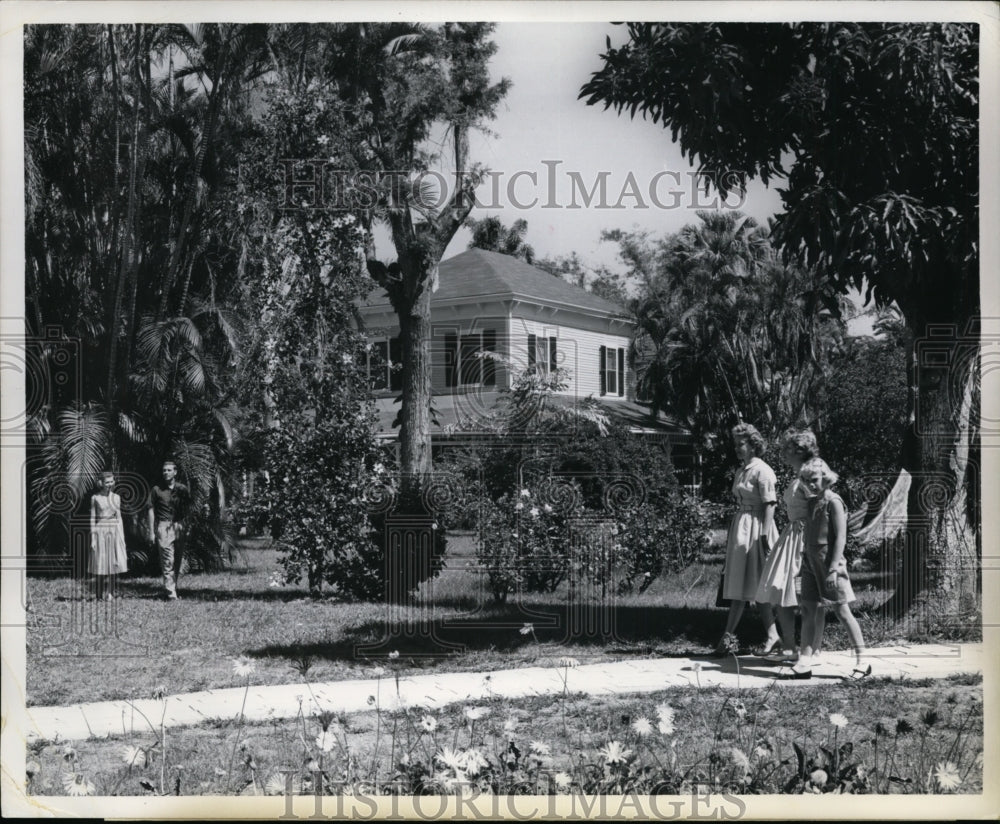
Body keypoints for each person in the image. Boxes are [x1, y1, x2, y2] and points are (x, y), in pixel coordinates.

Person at [788, 458, 871, 679]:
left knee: (841, 610)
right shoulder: (812, 502)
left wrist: (833, 568)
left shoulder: (834, 502)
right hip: (810, 562)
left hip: (830, 563)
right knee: (808, 609)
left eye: (813, 480)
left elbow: (841, 537)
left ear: (825, 477)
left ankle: (863, 661)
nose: (810, 484)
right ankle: (804, 660)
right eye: (805, 481)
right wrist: (804, 558)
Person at [714, 423, 780, 656]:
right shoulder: (743, 469)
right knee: (743, 584)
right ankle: (731, 638)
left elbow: (770, 503)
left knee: (757, 584)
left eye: (741, 444)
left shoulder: (763, 470)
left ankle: (769, 635)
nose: (737, 448)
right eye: (735, 444)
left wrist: (764, 534)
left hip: (757, 527)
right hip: (742, 526)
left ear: (753, 445)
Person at [753, 428, 819, 660]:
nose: (784, 455)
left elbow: (818, 509)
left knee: (807, 595)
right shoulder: (798, 476)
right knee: (782, 591)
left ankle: (811, 649)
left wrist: (812, 540)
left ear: (797, 452)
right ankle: (790, 647)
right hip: (790, 536)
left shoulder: (808, 477)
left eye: (787, 450)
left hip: (803, 537)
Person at [147, 460, 190, 600]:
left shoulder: (182, 489)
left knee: (177, 560)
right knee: (167, 561)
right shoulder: (156, 490)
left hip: (179, 526)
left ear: (175, 472)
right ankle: (171, 594)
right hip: (164, 527)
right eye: (164, 470)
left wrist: (187, 527)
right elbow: (150, 510)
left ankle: (173, 588)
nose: (166, 472)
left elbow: (187, 510)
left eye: (169, 470)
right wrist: (151, 531)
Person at [89, 471, 128, 600]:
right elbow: (92, 518)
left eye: (111, 481)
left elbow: (119, 517)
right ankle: (99, 594)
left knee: (112, 562)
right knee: (100, 561)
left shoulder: (116, 497)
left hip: (114, 529)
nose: (110, 484)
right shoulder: (95, 498)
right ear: (101, 483)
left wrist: (121, 536)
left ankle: (110, 593)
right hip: (101, 529)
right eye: (107, 482)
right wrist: (93, 538)